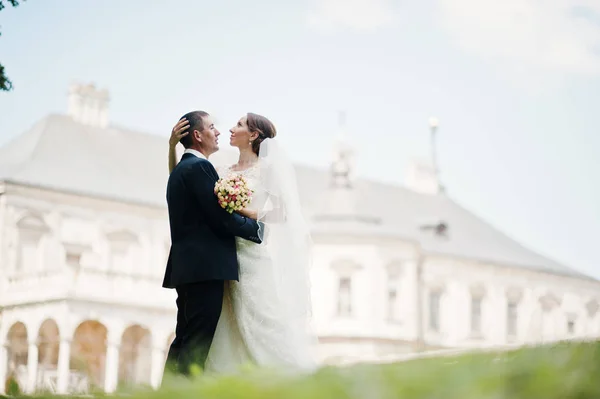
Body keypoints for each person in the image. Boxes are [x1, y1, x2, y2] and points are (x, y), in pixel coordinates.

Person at [167, 112, 316, 374]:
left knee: (261, 321)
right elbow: (184, 180)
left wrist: (245, 213)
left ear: (254, 135)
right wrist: (172, 148)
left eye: (238, 125)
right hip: (219, 257)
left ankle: (286, 374)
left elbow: (282, 213)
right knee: (220, 327)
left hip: (248, 254)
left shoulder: (266, 169)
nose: (230, 129)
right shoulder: (219, 169)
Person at [162, 110, 263, 379]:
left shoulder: (181, 170)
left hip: (187, 269)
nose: (218, 131)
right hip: (205, 269)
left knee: (182, 339)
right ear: (197, 135)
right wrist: (257, 229)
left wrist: (171, 147)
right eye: (211, 127)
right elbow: (220, 218)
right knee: (196, 344)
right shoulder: (199, 167)